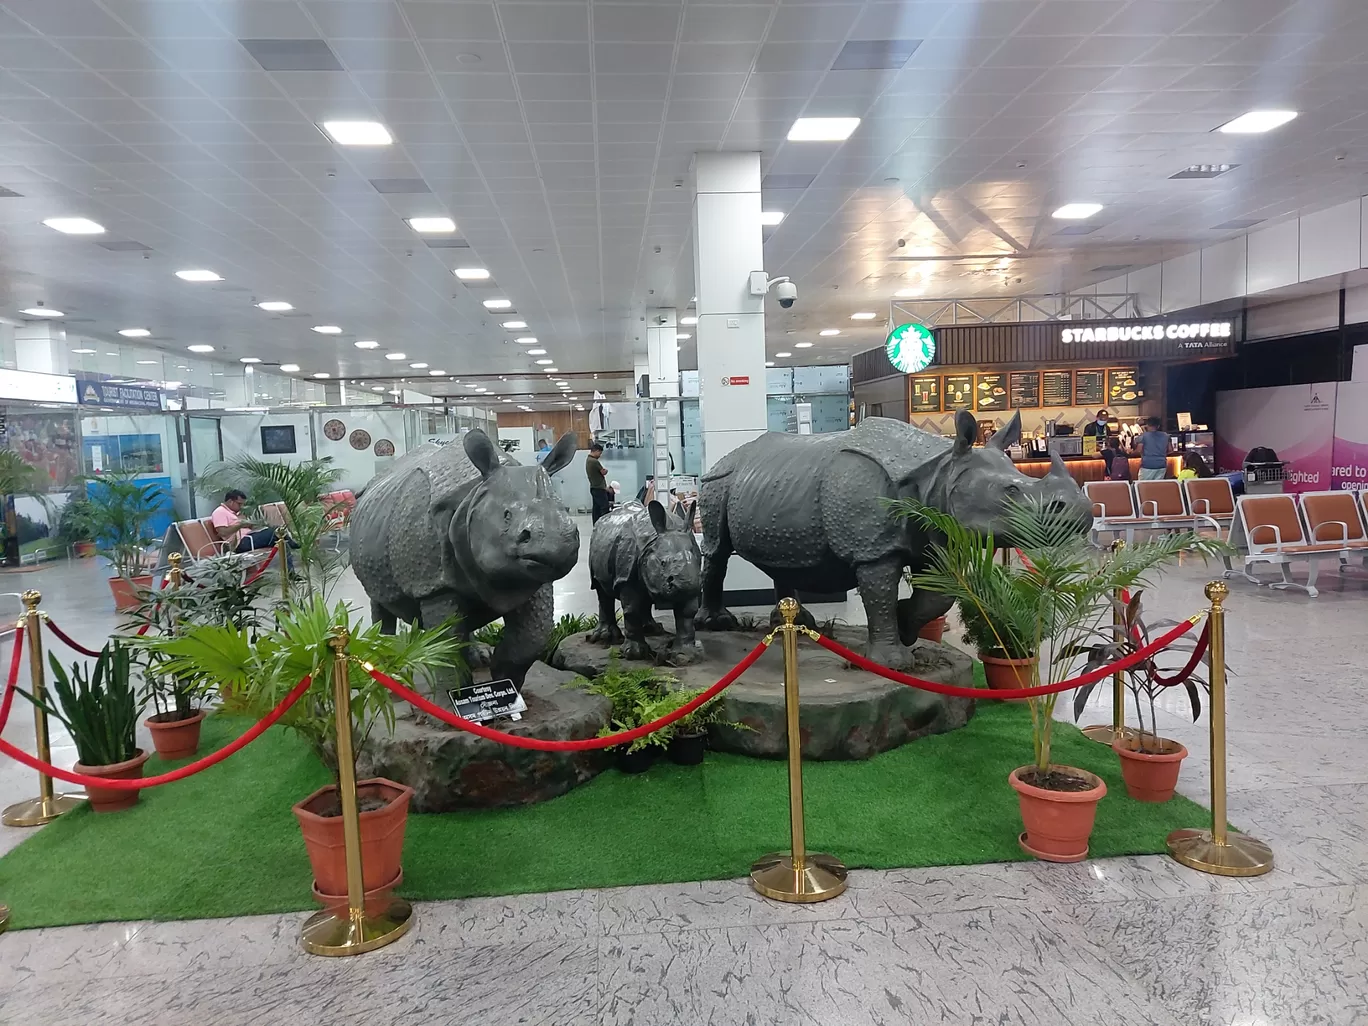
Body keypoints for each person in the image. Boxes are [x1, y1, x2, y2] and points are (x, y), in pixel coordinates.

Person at [209, 490, 281, 553]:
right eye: (239, 504)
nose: (241, 507)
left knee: (279, 537)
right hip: (240, 543)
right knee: (276, 532)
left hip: (249, 537)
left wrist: (249, 524)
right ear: (231, 501)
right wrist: (240, 525)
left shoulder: (234, 513)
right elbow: (223, 532)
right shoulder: (219, 512)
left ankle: (288, 565)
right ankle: (292, 547)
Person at [586, 442, 610, 522]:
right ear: (596, 451)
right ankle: (604, 525)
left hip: (594, 487)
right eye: (600, 453)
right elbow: (603, 472)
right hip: (599, 488)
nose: (600, 455)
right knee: (604, 507)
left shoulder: (588, 460)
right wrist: (606, 470)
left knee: (596, 509)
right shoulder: (594, 461)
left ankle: (596, 524)